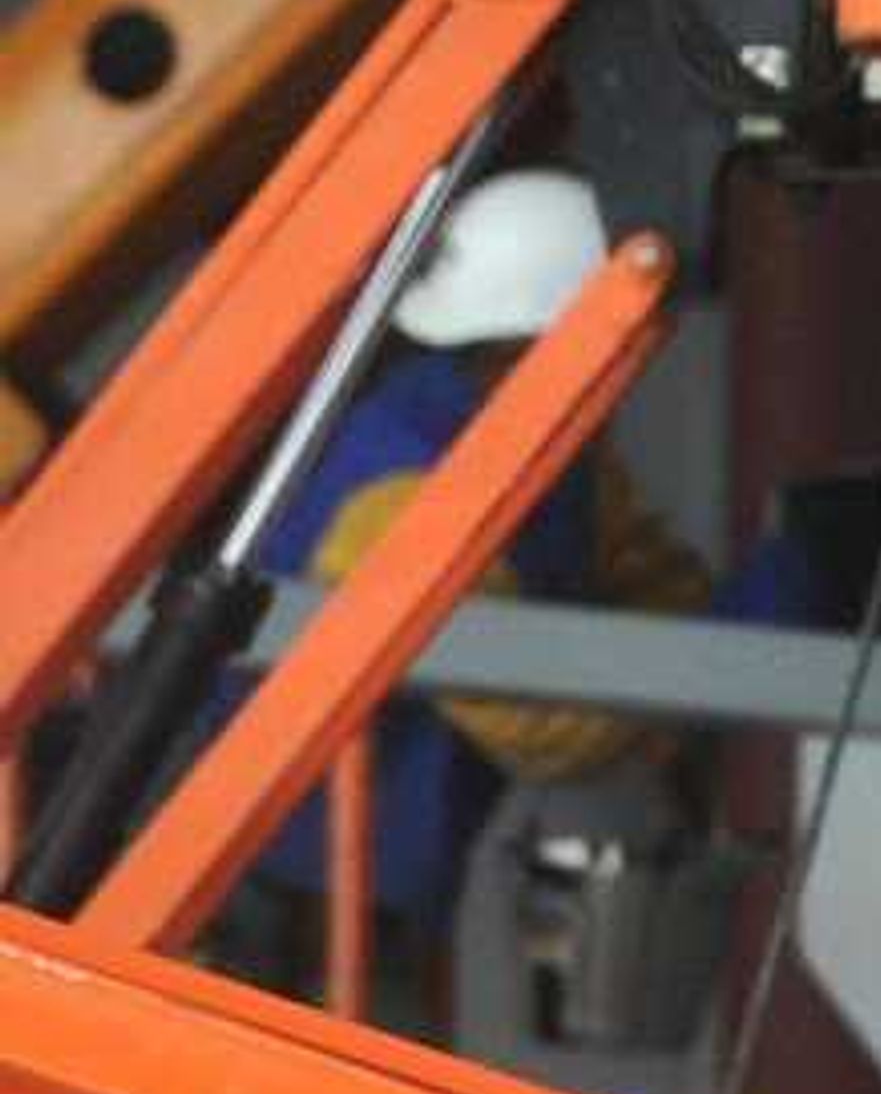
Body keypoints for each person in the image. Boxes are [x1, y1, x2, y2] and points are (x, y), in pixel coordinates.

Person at [248, 168, 714, 955]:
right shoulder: (404, 483)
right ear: (538, 344)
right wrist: (689, 701)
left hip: (385, 869)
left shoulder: (544, 445)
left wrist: (703, 653)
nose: (628, 374)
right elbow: (534, 727)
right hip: (291, 890)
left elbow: (651, 576)